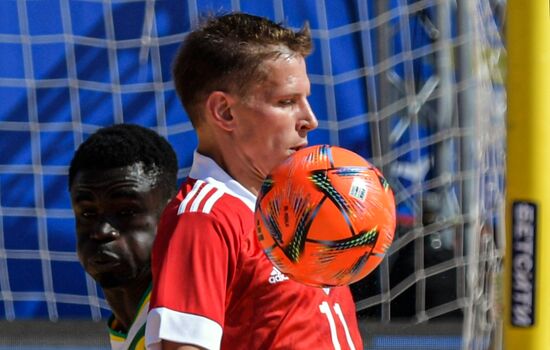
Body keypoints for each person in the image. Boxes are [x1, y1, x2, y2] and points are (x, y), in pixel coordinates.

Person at [146, 12, 363, 350]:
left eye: (306, 99)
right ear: (225, 112)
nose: (310, 119)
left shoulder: (300, 206)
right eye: (287, 102)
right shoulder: (204, 218)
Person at [69, 124, 178, 350]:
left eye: (126, 212)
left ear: (169, 215)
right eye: (88, 213)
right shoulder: (128, 326)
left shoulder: (187, 319)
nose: (102, 231)